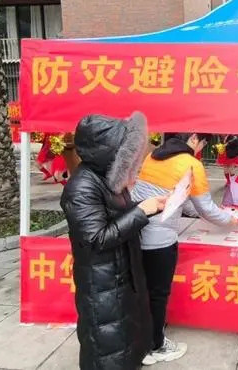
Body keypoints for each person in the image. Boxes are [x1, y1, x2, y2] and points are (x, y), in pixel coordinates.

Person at [60, 112, 167, 370]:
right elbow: (96, 238)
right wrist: (141, 212)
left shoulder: (107, 178)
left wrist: (148, 207)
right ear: (106, 152)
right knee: (106, 349)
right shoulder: (81, 188)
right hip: (102, 284)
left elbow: (117, 215)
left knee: (127, 343)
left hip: (120, 277)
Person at [131, 132, 238, 366]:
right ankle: (155, 346)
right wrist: (229, 219)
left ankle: (139, 340)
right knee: (158, 294)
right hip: (159, 240)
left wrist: (196, 211)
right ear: (194, 138)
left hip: (134, 231)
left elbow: (180, 198)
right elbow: (206, 208)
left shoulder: (153, 156)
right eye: (203, 143)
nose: (201, 148)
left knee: (142, 290)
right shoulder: (191, 164)